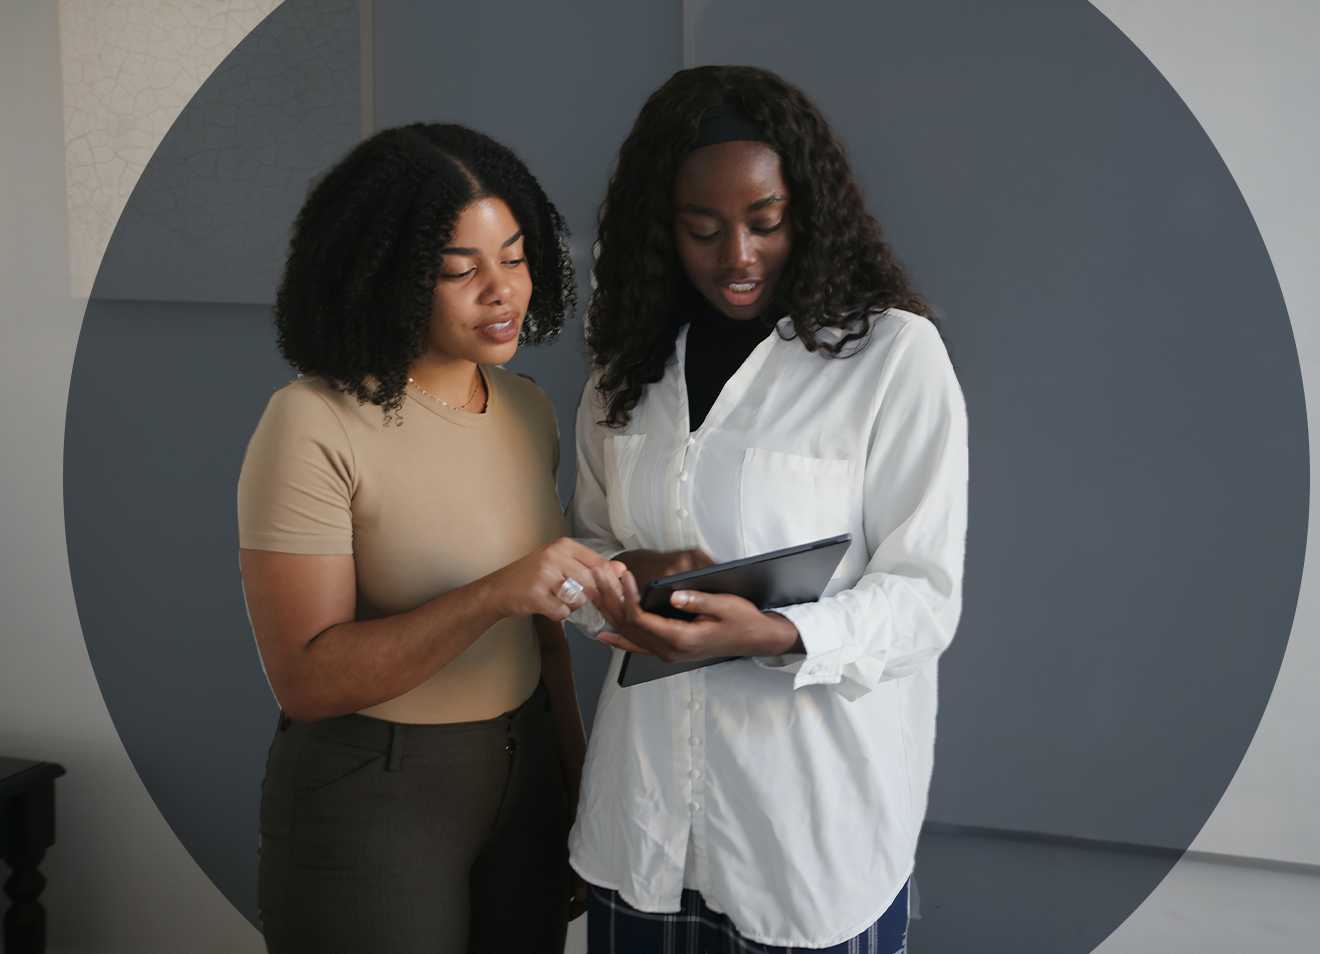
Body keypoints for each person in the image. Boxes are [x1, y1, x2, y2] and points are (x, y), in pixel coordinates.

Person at [567, 66, 969, 953]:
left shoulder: (893, 358)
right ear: (662, 228)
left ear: (808, 213)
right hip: (645, 826)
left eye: (765, 223)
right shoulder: (626, 366)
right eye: (703, 229)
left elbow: (924, 594)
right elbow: (587, 548)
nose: (738, 256)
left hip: (809, 839)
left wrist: (777, 636)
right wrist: (623, 579)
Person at [237, 123, 622, 954]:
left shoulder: (527, 410)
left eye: (515, 257)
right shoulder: (311, 422)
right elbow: (306, 679)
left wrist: (576, 776)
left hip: (526, 779)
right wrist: (491, 593)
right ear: (387, 277)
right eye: (461, 270)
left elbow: (542, 624)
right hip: (374, 790)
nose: (502, 290)